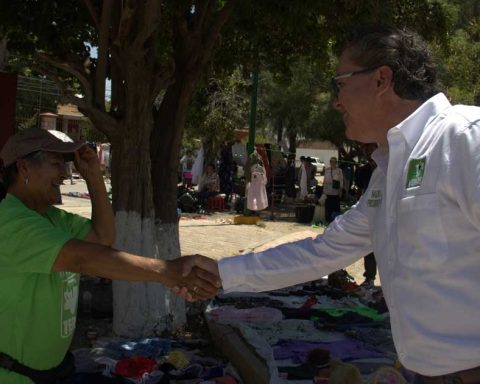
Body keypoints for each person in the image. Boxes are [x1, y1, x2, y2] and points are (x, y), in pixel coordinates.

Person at [183, 25, 480, 382]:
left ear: (380, 79)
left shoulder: (464, 139)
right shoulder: (391, 169)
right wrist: (222, 273)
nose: (336, 101)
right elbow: (324, 252)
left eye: (339, 84)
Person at [0, 128, 219, 384]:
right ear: (24, 167)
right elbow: (84, 259)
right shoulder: (8, 219)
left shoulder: (50, 217)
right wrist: (167, 271)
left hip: (52, 372)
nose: (64, 174)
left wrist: (93, 176)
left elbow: (103, 238)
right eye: (56, 164)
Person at [354, 143, 378, 287]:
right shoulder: (363, 171)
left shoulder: (389, 168)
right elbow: (360, 190)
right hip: (369, 212)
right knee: (369, 248)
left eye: (371, 149)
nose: (369, 153)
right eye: (366, 150)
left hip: (386, 213)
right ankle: (370, 277)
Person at [322, 157, 344, 222]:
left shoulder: (339, 170)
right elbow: (324, 180)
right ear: (330, 162)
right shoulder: (327, 170)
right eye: (332, 161)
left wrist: (341, 190)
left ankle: (335, 221)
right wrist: (323, 190)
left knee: (335, 208)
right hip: (328, 192)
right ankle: (328, 220)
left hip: (335, 193)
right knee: (328, 208)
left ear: (336, 163)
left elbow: (341, 181)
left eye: (334, 162)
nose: (333, 163)